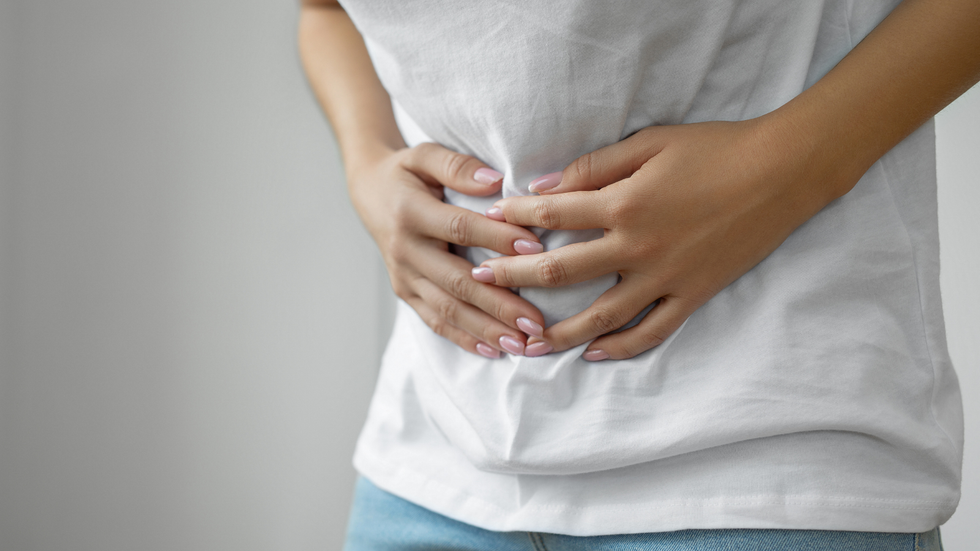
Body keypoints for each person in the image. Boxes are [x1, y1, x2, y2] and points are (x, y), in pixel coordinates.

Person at [299, 0, 979, 548]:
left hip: (765, 465)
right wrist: (368, 166)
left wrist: (784, 169)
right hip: (430, 467)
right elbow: (323, 12)